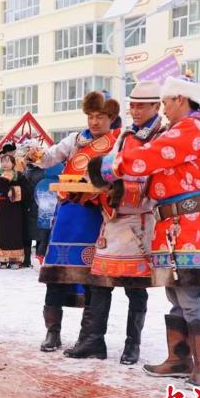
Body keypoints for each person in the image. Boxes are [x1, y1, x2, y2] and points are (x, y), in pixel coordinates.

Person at [90, 75, 200, 387]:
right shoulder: (182, 128)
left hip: (190, 224)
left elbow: (152, 155)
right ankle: (179, 359)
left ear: (180, 99)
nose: (164, 109)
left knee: (189, 294)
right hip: (173, 224)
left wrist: (109, 166)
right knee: (176, 293)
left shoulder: (193, 129)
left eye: (165, 102)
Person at [65, 80, 163, 364]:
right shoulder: (126, 135)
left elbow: (155, 175)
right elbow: (109, 167)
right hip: (113, 216)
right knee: (99, 282)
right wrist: (99, 177)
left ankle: (133, 345)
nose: (136, 110)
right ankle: (94, 341)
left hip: (140, 219)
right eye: (132, 105)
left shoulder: (161, 135)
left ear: (157, 106)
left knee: (136, 286)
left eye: (141, 106)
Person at [33, 91, 120, 353]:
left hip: (95, 215)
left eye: (101, 117)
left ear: (111, 118)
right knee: (55, 275)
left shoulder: (118, 143)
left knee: (92, 277)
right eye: (91, 116)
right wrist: (35, 155)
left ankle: (87, 335)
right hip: (68, 213)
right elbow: (50, 158)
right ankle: (52, 332)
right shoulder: (75, 139)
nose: (95, 122)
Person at [0, 154, 30, 267]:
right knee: (1, 231)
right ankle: (3, 258)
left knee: (15, 231)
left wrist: (14, 191)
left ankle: (15, 259)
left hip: (15, 207)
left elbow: (27, 190)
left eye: (8, 161)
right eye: (3, 161)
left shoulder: (19, 176)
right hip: (1, 205)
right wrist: (6, 181)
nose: (5, 164)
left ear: (13, 163)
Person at [34, 163, 63, 265]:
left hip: (42, 218)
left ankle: (39, 258)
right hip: (56, 218)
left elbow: (36, 198)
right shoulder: (61, 184)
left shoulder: (40, 183)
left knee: (43, 240)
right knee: (54, 240)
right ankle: (53, 260)